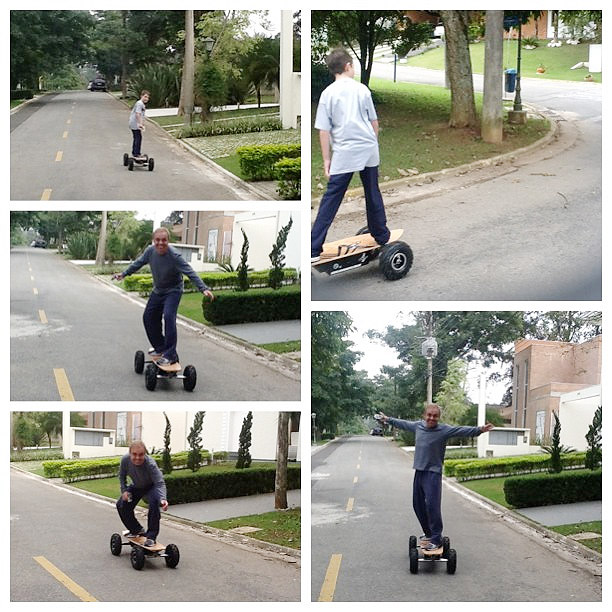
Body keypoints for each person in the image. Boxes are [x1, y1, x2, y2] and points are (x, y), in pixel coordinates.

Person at [377, 404, 494, 550]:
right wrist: (388, 419)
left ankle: (437, 538)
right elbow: (403, 424)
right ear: (424, 415)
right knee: (417, 505)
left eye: (435, 416)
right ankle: (429, 533)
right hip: (419, 471)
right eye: (429, 415)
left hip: (433, 473)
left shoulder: (443, 430)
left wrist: (480, 430)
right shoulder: (418, 426)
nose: (431, 418)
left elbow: (462, 430)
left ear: (438, 417)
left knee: (432, 506)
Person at [311, 48, 391, 262]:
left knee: (332, 198)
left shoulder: (328, 94)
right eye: (353, 65)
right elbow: (374, 122)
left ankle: (313, 248)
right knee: (372, 191)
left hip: (344, 151)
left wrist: (327, 159)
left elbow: (324, 131)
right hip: (366, 149)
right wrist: (373, 144)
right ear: (347, 66)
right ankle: (381, 234)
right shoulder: (362, 89)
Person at [112, 227, 214, 366]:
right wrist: (124, 274)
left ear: (168, 241)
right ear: (153, 241)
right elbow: (138, 263)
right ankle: (160, 348)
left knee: (168, 316)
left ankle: (170, 354)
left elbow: (190, 272)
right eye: (157, 240)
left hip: (173, 291)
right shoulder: (150, 251)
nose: (160, 243)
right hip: (158, 290)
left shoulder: (174, 256)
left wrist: (203, 288)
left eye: (164, 240)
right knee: (148, 317)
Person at [116, 441, 168, 547]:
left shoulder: (150, 464)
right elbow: (122, 477)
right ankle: (136, 530)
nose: (137, 458)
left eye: (141, 455)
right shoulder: (125, 460)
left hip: (151, 487)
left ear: (145, 454)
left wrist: (162, 498)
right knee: (121, 505)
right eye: (134, 454)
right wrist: (124, 491)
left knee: (154, 504)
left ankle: (151, 537)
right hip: (136, 487)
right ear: (130, 453)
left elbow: (159, 483)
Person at [129, 90, 150, 160]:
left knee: (137, 137)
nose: (146, 99)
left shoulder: (142, 104)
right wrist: (140, 124)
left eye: (147, 97)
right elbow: (138, 114)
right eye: (145, 97)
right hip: (135, 124)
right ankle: (136, 153)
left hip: (136, 124)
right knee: (138, 138)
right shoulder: (139, 104)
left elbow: (142, 115)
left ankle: (135, 152)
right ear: (141, 96)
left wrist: (142, 123)